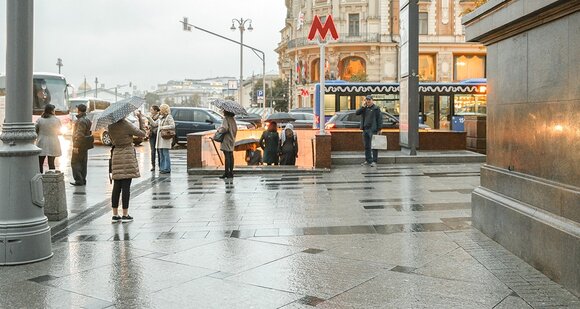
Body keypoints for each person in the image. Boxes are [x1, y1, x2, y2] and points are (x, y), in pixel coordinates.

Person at [108, 111, 146, 223]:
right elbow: (142, 133)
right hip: (127, 155)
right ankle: (125, 214)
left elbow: (112, 139)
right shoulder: (126, 124)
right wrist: (140, 119)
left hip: (116, 154)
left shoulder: (110, 126)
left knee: (116, 186)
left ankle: (115, 214)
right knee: (126, 187)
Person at [355, 95, 383, 167]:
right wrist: (362, 107)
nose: (368, 101)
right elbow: (357, 113)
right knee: (366, 146)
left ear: (372, 100)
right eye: (367, 100)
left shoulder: (376, 108)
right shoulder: (364, 108)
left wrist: (379, 129)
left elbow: (379, 119)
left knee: (374, 146)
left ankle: (374, 161)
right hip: (365, 129)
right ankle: (368, 160)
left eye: (369, 100)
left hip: (373, 129)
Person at [35, 104, 62, 173]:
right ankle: (51, 178)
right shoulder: (56, 120)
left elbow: (36, 131)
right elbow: (59, 131)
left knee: (40, 162)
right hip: (53, 142)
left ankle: (40, 176)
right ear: (52, 111)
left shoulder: (40, 120)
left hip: (41, 142)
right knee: (51, 162)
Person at [70, 104, 92, 186]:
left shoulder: (80, 121)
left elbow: (79, 134)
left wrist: (76, 145)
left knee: (75, 162)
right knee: (83, 163)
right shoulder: (87, 119)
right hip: (85, 144)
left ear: (78, 110)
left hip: (80, 144)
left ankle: (79, 180)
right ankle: (83, 179)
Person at [217, 110, 238, 178]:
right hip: (232, 139)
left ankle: (226, 173)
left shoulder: (226, 119)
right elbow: (235, 129)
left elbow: (225, 129)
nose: (223, 111)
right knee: (231, 155)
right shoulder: (233, 119)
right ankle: (231, 172)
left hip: (226, 139)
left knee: (227, 156)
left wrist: (219, 130)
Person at [156, 104, 175, 174]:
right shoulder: (161, 117)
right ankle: (162, 168)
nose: (159, 110)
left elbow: (173, 125)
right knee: (161, 153)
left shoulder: (168, 117)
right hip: (160, 138)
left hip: (165, 138)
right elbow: (155, 124)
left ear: (164, 110)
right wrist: (149, 118)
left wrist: (163, 127)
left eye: (160, 109)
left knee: (165, 153)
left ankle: (167, 168)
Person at [145, 105, 161, 171]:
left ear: (156, 110)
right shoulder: (150, 116)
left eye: (152, 110)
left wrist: (150, 120)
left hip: (157, 134)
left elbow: (156, 124)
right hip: (151, 134)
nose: (151, 111)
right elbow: (150, 125)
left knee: (158, 150)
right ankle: (153, 165)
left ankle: (160, 165)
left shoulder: (159, 117)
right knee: (153, 151)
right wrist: (148, 127)